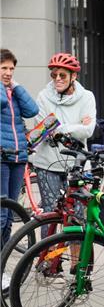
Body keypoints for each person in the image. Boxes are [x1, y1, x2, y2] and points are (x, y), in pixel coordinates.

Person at [30, 53, 97, 218]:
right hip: (47, 165)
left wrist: (59, 127)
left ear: (73, 76)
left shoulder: (87, 97)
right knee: (50, 216)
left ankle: (75, 245)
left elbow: (88, 130)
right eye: (54, 75)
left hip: (77, 166)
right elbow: (42, 130)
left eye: (62, 75)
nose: (57, 79)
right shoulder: (43, 96)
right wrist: (76, 126)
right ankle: (48, 246)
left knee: (77, 219)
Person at [0, 49, 38, 254]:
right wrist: (4, 88)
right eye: (4, 68)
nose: (8, 73)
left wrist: (17, 87)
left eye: (11, 69)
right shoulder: (3, 94)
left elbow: (32, 110)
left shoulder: (12, 92)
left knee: (10, 216)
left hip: (18, 157)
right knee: (1, 216)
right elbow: (1, 102)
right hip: (1, 158)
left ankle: (2, 262)